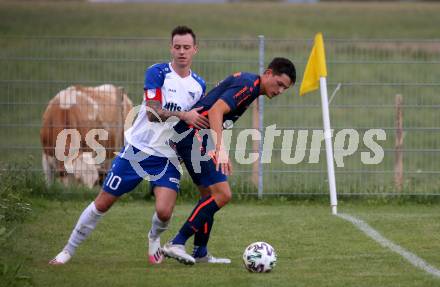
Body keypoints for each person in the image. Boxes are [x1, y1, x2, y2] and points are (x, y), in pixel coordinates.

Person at [49, 25, 211, 265]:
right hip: (137, 151)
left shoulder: (199, 85)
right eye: (177, 47)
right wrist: (185, 116)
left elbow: (194, 123)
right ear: (171, 48)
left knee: (165, 212)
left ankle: (153, 238)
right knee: (103, 202)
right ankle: (67, 251)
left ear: (195, 50)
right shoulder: (157, 73)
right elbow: (153, 111)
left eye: (187, 47)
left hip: (167, 157)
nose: (181, 52)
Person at [162, 57, 296, 265]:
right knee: (223, 194)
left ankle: (200, 252)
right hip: (194, 135)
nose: (279, 91)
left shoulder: (250, 85)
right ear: (268, 73)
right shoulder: (248, 85)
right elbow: (216, 111)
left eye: (284, 89)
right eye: (279, 84)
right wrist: (220, 148)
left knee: (208, 195)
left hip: (194, 136)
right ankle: (176, 243)